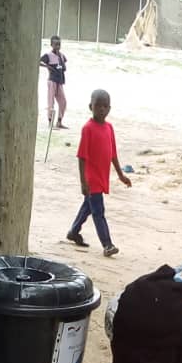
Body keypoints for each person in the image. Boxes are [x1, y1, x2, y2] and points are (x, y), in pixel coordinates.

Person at [66, 89, 130, 257]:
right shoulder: (88, 128)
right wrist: (83, 181)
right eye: (97, 106)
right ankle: (107, 244)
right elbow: (81, 157)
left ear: (109, 108)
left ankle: (73, 231)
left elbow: (113, 154)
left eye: (105, 106)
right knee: (98, 211)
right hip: (91, 178)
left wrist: (121, 175)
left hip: (102, 177)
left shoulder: (109, 127)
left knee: (88, 206)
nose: (101, 109)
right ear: (90, 107)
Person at [40, 36, 69, 129]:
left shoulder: (61, 56)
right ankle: (50, 123)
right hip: (52, 81)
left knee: (63, 102)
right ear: (51, 45)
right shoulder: (48, 55)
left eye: (59, 44)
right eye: (55, 44)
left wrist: (60, 59)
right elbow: (39, 61)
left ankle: (59, 121)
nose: (57, 46)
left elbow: (64, 68)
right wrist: (47, 66)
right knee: (51, 102)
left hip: (59, 82)